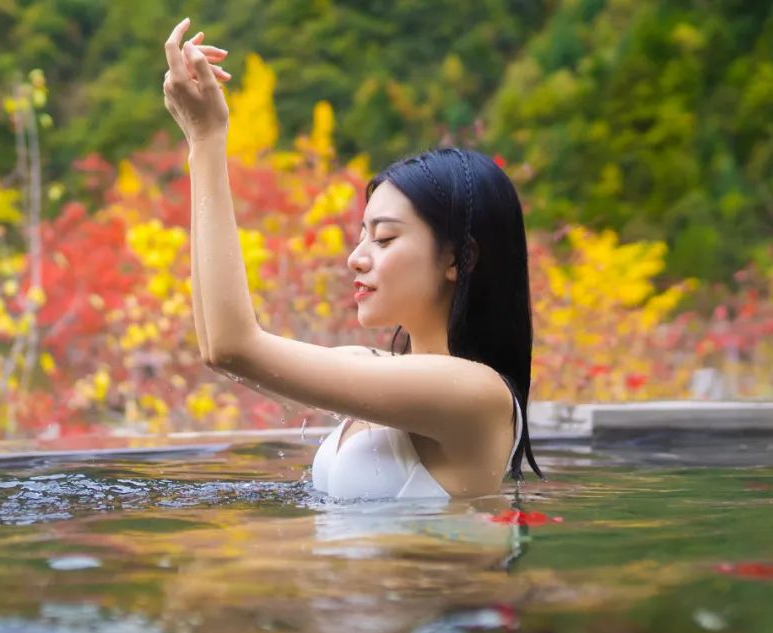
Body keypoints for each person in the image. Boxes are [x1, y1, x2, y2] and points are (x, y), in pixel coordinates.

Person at [161, 18, 544, 499]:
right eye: (362, 235)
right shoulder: (372, 365)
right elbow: (215, 347)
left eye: (383, 239)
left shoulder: (476, 393)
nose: (355, 259)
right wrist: (198, 146)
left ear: (458, 259)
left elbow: (234, 346)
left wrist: (206, 141)